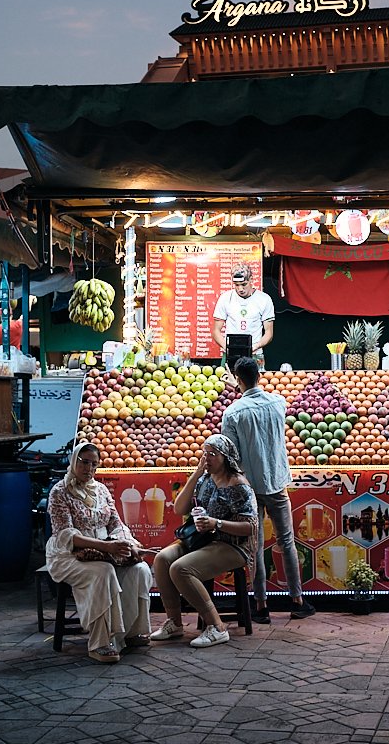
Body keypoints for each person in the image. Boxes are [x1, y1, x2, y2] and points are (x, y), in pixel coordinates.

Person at [221, 355, 315, 623]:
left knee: (256, 545)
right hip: (276, 482)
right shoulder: (278, 403)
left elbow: (230, 452)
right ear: (260, 375)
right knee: (287, 541)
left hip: (249, 488)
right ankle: (297, 601)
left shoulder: (233, 413)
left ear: (238, 379)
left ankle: (261, 606)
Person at [46, 441, 152, 664]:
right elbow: (66, 536)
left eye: (94, 464)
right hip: (67, 555)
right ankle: (100, 642)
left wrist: (127, 543)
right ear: (74, 461)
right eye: (84, 463)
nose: (89, 469)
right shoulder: (60, 492)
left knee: (140, 569)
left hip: (104, 549)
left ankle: (131, 632)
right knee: (103, 572)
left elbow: (116, 523)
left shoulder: (101, 490)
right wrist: (106, 547)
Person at [151, 433, 258, 649]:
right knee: (162, 559)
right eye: (205, 454)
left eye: (213, 454)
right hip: (202, 539)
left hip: (233, 545)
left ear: (226, 457)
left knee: (181, 568)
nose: (207, 458)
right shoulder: (205, 480)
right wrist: (197, 473)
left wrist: (216, 523)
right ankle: (175, 622)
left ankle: (217, 627)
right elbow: (180, 508)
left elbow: (250, 527)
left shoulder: (238, 485)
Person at [211, 263, 275, 368]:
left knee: (255, 384)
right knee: (228, 383)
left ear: (251, 280)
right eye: (236, 285)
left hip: (255, 354)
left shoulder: (264, 299)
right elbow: (216, 331)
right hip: (230, 354)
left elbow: (269, 333)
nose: (240, 289)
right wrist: (228, 348)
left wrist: (255, 347)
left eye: (244, 284)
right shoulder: (225, 298)